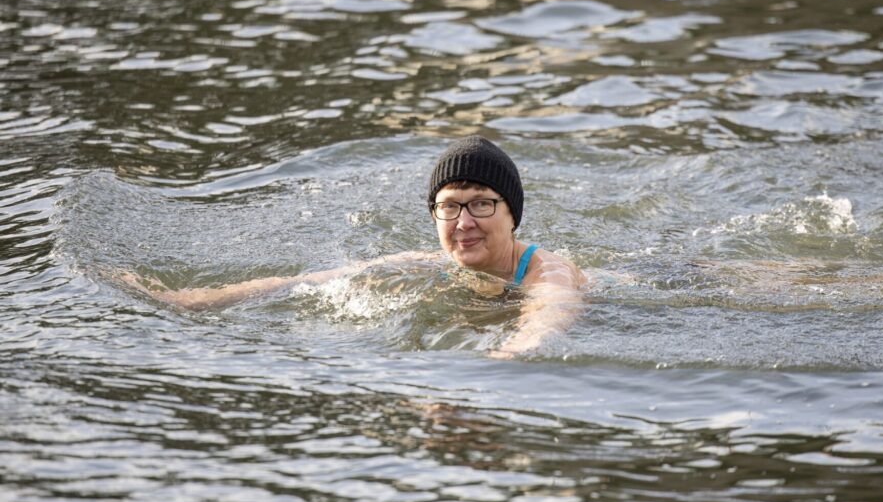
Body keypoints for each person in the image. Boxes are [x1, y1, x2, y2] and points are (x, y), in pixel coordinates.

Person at [123, 136, 587, 356]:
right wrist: (192, 299)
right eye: (449, 207)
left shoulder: (549, 273)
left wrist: (504, 359)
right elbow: (306, 283)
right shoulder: (431, 264)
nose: (464, 223)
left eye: (482, 204)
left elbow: (548, 318)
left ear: (512, 215)